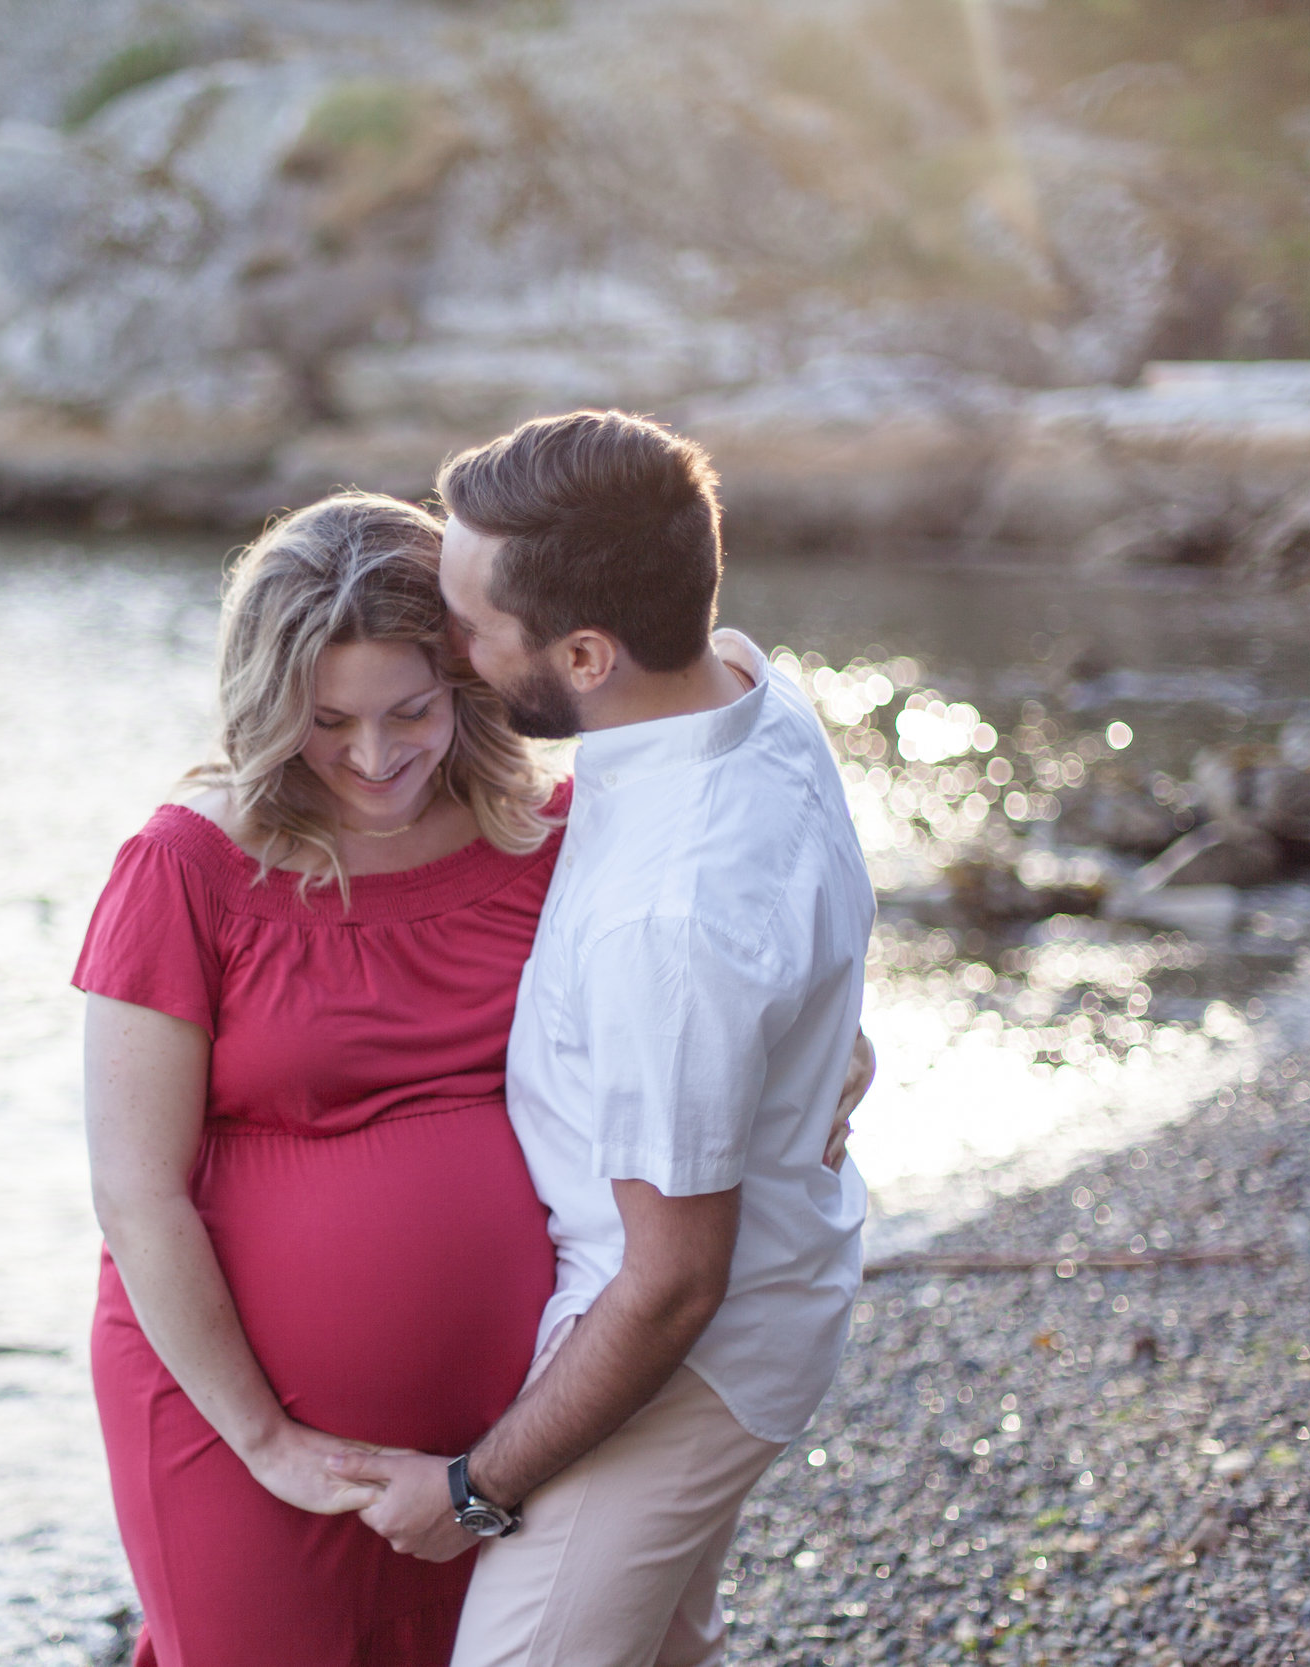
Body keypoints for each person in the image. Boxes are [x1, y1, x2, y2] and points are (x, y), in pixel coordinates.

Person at [334, 409, 877, 1667]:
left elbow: (672, 1283)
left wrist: (471, 1488)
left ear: (583, 652)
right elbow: (800, 915)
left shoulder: (666, 916)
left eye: (469, 625)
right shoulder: (746, 682)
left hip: (687, 1366)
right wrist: (827, 1044)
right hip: (774, 1296)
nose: (447, 649)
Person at [75, 492, 572, 1666]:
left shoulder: (549, 835)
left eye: (411, 710)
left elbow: (714, 978)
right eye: (326, 719)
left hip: (510, 1428)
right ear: (265, 700)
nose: (374, 755)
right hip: (233, 1420)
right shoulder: (185, 867)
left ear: (468, 678)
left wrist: (824, 1054)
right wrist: (263, 1440)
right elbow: (134, 1191)